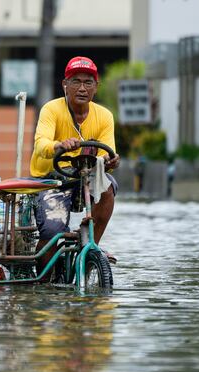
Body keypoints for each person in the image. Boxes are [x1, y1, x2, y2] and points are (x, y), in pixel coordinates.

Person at [30, 56, 121, 272]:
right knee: (53, 231)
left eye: (88, 82)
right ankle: (45, 278)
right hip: (50, 182)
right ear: (65, 85)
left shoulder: (104, 116)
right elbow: (41, 144)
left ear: (96, 87)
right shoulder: (51, 109)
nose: (82, 88)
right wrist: (60, 146)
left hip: (83, 180)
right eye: (76, 81)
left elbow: (106, 153)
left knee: (107, 186)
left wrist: (112, 161)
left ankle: (90, 247)